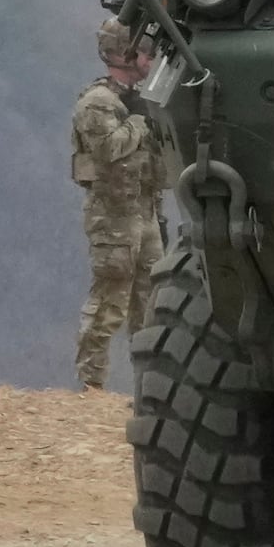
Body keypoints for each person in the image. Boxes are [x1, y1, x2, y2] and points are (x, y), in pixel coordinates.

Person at [70, 19, 176, 391]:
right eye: (142, 50)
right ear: (121, 54)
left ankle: (150, 387)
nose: (148, 57)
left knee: (151, 306)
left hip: (144, 212)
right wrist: (139, 121)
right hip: (113, 218)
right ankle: (91, 385)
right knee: (109, 302)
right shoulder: (99, 103)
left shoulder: (137, 100)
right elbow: (108, 149)